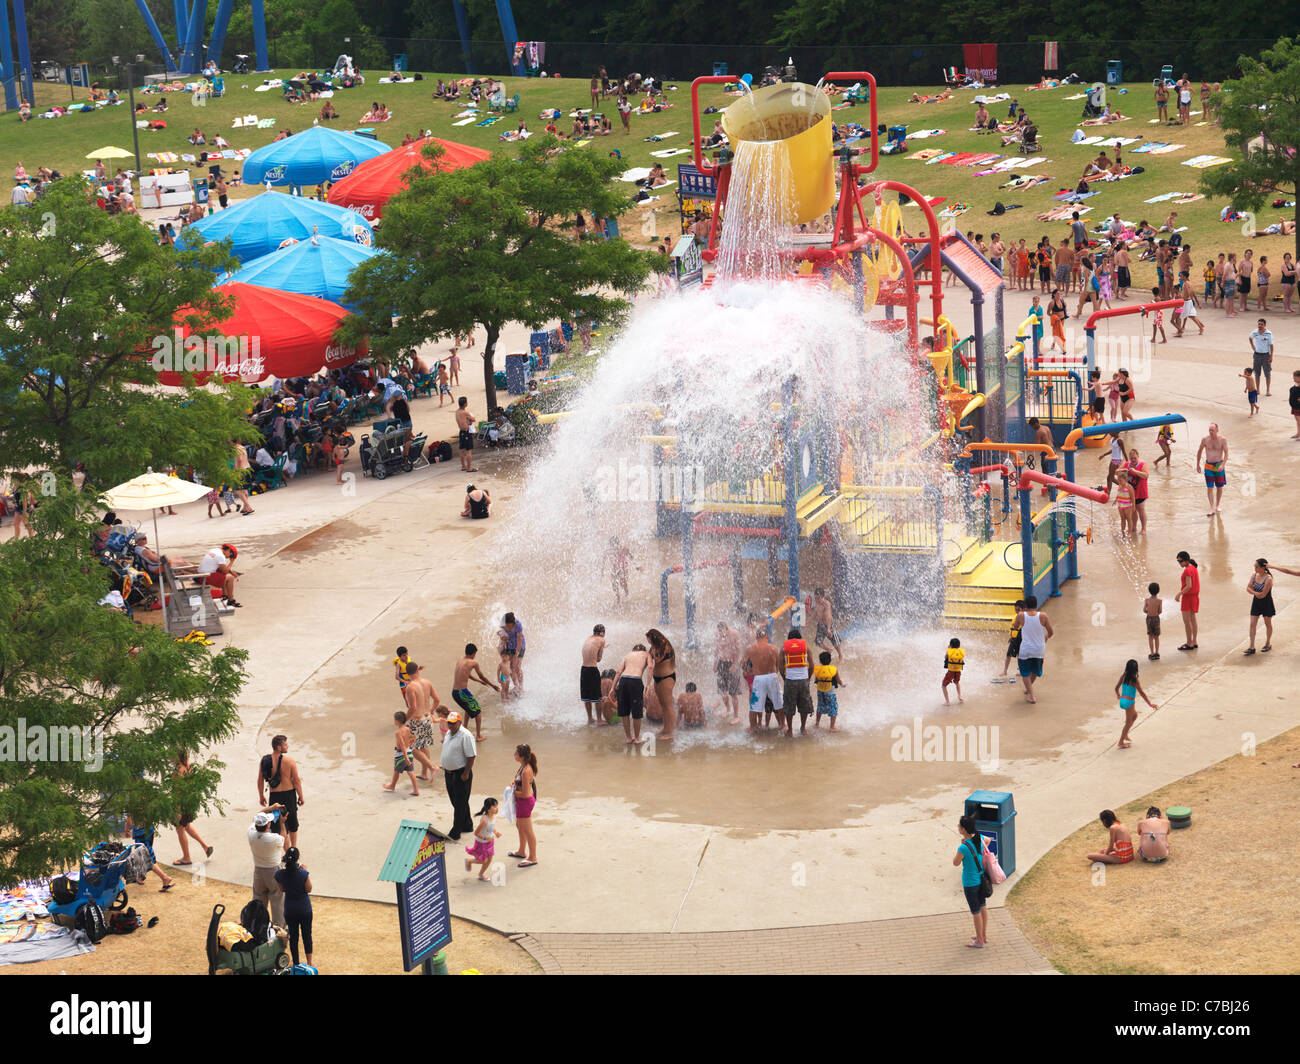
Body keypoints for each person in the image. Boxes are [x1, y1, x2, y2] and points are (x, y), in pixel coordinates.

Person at [257, 734, 304, 850]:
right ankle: (293, 850)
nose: (287, 746)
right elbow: (296, 780)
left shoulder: (265, 760)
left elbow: (260, 780)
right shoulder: (290, 761)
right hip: (289, 795)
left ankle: (286, 851)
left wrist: (261, 796)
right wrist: (301, 797)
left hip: (274, 797)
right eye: (285, 744)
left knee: (278, 825)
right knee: (293, 825)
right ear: (279, 747)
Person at [172, 749, 213, 865]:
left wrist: (177, 809)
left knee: (180, 829)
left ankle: (186, 857)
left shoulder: (178, 770)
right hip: (189, 801)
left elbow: (179, 791)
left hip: (181, 803)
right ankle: (205, 846)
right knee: (187, 826)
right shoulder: (188, 766)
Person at [440, 712, 477, 840]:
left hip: (461, 773)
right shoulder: (448, 733)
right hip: (448, 773)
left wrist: (466, 773)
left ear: (460, 722)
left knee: (460, 803)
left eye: (453, 723)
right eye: (449, 723)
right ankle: (467, 824)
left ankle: (455, 832)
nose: (451, 725)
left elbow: (471, 756)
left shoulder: (466, 735)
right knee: (456, 801)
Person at [402, 665, 442, 780]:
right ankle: (424, 773)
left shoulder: (410, 687)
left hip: (417, 721)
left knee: (411, 748)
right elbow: (437, 699)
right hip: (427, 718)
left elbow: (413, 708)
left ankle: (431, 767)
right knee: (424, 746)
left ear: (407, 673)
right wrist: (431, 711)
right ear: (417, 671)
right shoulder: (427, 682)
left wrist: (404, 721)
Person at [452, 643, 499, 741]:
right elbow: (482, 676)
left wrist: (478, 681)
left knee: (468, 707)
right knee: (478, 712)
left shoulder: (460, 660)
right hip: (462, 693)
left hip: (455, 692)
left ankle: (464, 728)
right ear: (473, 653)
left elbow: (466, 674)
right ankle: (478, 736)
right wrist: (493, 686)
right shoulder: (473, 662)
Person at [953, 815, 988, 948]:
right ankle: (983, 935)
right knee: (983, 906)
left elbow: (955, 863)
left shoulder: (963, 848)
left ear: (963, 829)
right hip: (981, 879)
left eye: (959, 826)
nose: (958, 827)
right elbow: (988, 841)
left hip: (970, 882)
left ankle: (979, 941)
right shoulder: (980, 838)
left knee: (976, 912)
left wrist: (963, 847)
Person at [248, 810, 286, 927]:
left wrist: (271, 807)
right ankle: (279, 928)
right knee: (278, 900)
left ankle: (258, 926)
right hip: (274, 870)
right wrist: (282, 823)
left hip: (258, 871)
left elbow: (255, 817)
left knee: (258, 898)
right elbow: (283, 836)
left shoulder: (251, 834)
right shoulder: (273, 838)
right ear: (268, 825)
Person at [743, 627, 783, 731]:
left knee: (754, 705)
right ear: (767, 636)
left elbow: (742, 664)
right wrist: (775, 672)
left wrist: (749, 671)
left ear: (756, 637)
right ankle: (783, 725)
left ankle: (752, 727)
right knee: (779, 703)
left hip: (759, 678)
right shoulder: (774, 648)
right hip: (772, 676)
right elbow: (779, 664)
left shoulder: (750, 649)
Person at [612, 643, 652, 745]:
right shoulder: (646, 654)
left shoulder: (628, 655)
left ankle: (629, 738)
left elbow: (619, 671)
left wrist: (612, 687)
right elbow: (651, 667)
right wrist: (648, 684)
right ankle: (637, 738)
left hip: (623, 680)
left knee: (624, 711)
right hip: (635, 681)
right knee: (637, 711)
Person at [1015, 596, 1052, 704]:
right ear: (1036, 605)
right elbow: (1051, 632)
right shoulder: (1043, 616)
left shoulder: (1021, 615)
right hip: (1039, 649)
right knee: (1035, 671)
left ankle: (1031, 695)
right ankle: (1028, 689)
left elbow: (1016, 626)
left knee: (1025, 672)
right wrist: (1046, 637)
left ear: (1025, 606)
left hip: (1025, 649)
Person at [1114, 659, 1157, 749]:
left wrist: (1118, 695)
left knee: (1135, 716)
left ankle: (1125, 735)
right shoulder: (1135, 680)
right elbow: (1142, 693)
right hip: (1129, 701)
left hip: (1123, 700)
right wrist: (1150, 704)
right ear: (1135, 669)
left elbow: (1116, 688)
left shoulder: (1123, 676)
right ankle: (1121, 742)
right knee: (1128, 722)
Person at [509, 744, 539, 867]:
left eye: (516, 753)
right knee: (520, 826)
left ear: (521, 756)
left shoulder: (526, 771)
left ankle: (533, 857)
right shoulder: (522, 767)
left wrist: (511, 792)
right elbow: (518, 780)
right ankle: (521, 851)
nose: (514, 755)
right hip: (521, 802)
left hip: (525, 802)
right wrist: (513, 784)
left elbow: (526, 794)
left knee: (528, 830)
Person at [646, 627, 678, 741]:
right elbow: (649, 657)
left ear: (653, 638)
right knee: (663, 705)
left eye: (649, 640)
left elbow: (658, 659)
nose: (648, 643)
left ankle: (670, 732)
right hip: (658, 678)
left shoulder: (664, 645)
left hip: (666, 678)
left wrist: (650, 654)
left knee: (668, 706)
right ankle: (665, 728)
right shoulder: (654, 646)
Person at [1195, 423, 1229, 516]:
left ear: (1217, 430)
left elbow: (1226, 453)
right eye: (1209, 430)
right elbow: (1199, 451)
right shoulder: (1205, 439)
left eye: (1212, 430)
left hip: (1219, 465)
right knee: (1210, 487)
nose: (1210, 432)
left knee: (1219, 487)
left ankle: (1217, 505)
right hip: (1209, 466)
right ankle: (1211, 507)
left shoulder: (1222, 440)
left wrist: (1223, 464)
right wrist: (1197, 464)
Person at [1245, 558, 1276, 655]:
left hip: (1266, 603)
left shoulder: (1268, 579)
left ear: (1263, 567)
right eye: (1254, 566)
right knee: (1252, 624)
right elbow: (1248, 588)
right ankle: (1252, 646)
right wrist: (1255, 593)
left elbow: (1263, 595)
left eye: (1256, 566)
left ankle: (1267, 643)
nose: (1254, 568)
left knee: (1268, 624)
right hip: (1256, 603)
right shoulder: (1254, 575)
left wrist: (1254, 592)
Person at [714, 622, 743, 724]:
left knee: (733, 693)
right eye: (720, 632)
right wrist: (715, 664)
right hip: (722, 663)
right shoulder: (718, 634)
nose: (722, 635)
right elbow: (717, 650)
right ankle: (728, 709)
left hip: (732, 663)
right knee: (722, 691)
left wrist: (735, 664)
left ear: (727, 628)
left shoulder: (735, 634)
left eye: (723, 632)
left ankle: (736, 716)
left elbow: (738, 649)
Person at [465, 798, 501, 879]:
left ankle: (481, 874)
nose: (497, 808)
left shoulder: (493, 816)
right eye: (494, 807)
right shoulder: (484, 820)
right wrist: (485, 838)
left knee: (490, 859)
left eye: (497, 806)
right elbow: (476, 833)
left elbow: (491, 826)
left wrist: (496, 832)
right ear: (488, 809)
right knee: (483, 860)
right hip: (481, 843)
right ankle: (469, 861)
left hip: (490, 842)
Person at [198, 542, 242, 606]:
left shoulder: (215, 550)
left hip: (200, 574)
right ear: (229, 551)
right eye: (230, 556)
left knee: (223, 575)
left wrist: (231, 572)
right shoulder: (220, 556)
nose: (228, 558)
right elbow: (225, 571)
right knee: (230, 578)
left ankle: (225, 595)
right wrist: (232, 562)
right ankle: (231, 600)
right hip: (204, 577)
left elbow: (221, 569)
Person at [1174, 551, 1200, 651]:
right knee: (1193, 619)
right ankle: (1194, 641)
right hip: (1194, 596)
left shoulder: (1187, 570)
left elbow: (1189, 586)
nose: (1179, 563)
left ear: (1185, 560)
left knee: (1187, 621)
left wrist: (1179, 594)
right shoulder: (1193, 567)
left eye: (1180, 561)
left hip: (1188, 597)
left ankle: (1189, 643)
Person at [581, 624, 607, 724]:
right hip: (592, 669)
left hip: (583, 669)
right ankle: (599, 720)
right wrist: (603, 648)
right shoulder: (601, 640)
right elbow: (598, 659)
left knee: (586, 697)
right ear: (602, 633)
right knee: (597, 697)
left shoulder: (588, 638)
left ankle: (590, 718)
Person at [812, 651, 842, 730]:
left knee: (820, 706)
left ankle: (817, 724)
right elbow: (838, 680)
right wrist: (842, 684)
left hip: (820, 691)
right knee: (833, 707)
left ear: (820, 661)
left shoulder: (818, 669)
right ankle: (832, 727)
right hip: (830, 692)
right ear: (830, 660)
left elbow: (816, 680)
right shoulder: (833, 669)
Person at [497, 613, 526, 696]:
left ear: (513, 624)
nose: (508, 628)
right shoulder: (503, 623)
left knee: (517, 667)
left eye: (509, 627)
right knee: (510, 667)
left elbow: (519, 640)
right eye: (506, 626)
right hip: (509, 645)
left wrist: (516, 654)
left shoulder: (518, 625)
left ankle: (521, 687)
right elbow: (498, 632)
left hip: (519, 647)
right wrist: (501, 635)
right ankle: (516, 686)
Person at [811, 588, 842, 662]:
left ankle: (840, 655)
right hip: (821, 625)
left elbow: (828, 617)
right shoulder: (817, 603)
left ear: (823, 596)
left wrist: (828, 629)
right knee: (818, 642)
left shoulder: (827, 604)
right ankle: (829, 649)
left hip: (829, 624)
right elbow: (815, 613)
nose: (817, 600)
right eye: (815, 598)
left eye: (818, 598)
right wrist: (808, 621)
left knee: (835, 642)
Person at [1124, 447, 1150, 534]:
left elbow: (1146, 475)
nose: (1133, 460)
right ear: (1129, 458)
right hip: (1130, 492)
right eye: (1131, 458)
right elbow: (1117, 472)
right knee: (1133, 510)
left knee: (1141, 509)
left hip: (1141, 491)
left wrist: (1135, 471)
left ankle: (1143, 528)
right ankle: (1134, 527)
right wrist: (1123, 471)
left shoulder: (1142, 464)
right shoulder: (1127, 464)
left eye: (1135, 458)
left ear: (1138, 457)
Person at [1248, 319, 1273, 398]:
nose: (1260, 326)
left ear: (1265, 325)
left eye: (1261, 324)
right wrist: (1252, 346)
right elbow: (1250, 337)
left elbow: (1271, 345)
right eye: (1259, 324)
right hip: (1257, 355)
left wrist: (1271, 356)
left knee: (1267, 373)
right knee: (1257, 373)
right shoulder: (1255, 332)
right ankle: (1258, 389)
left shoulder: (1268, 334)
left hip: (1266, 355)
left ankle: (1268, 390)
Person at [455, 396, 477, 472]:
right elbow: (473, 419)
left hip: (461, 432)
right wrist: (469, 420)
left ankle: (463, 466)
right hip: (466, 432)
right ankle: (469, 468)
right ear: (465, 404)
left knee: (462, 450)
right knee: (468, 451)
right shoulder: (465, 412)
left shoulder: (457, 412)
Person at [942, 637, 965, 705]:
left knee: (943, 685)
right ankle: (959, 696)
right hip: (958, 671)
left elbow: (945, 657)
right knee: (957, 682)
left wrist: (948, 649)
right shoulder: (961, 651)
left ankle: (947, 702)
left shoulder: (949, 651)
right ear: (959, 645)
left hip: (950, 671)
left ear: (950, 645)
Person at [1143, 582, 1163, 660]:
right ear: (1158, 590)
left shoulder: (1147, 600)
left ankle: (1152, 653)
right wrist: (1156, 613)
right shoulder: (1159, 601)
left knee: (1150, 636)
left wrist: (1149, 612)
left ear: (1149, 591)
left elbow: (1144, 610)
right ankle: (1157, 652)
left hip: (1149, 619)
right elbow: (1160, 611)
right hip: (1156, 618)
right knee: (1156, 637)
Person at [1291, 369, 1300, 439]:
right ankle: (1298, 433)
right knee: (1297, 420)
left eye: (1295, 377)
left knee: (1299, 420)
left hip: (1298, 406)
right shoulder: (1296, 385)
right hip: (1294, 406)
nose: (1293, 378)